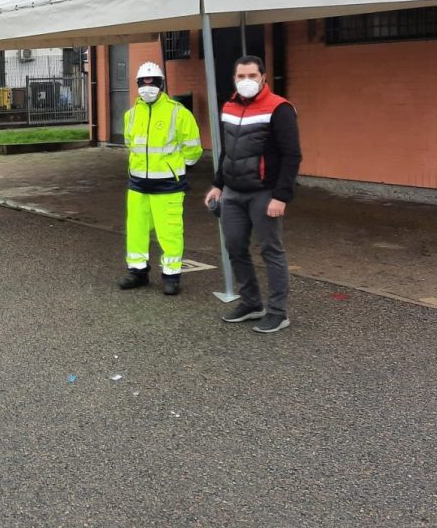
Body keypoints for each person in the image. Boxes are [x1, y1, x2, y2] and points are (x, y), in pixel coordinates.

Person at [205, 55, 302, 334]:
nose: (246, 81)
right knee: (235, 247)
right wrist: (217, 184)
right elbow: (228, 151)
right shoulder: (230, 106)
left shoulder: (279, 108)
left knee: (271, 250)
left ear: (263, 78)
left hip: (265, 193)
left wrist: (281, 196)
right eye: (240, 77)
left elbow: (292, 155)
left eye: (252, 76)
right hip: (233, 193)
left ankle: (277, 312)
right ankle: (251, 303)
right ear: (234, 79)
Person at [119, 61, 203, 296]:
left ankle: (171, 275)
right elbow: (130, 144)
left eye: (152, 82)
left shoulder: (178, 113)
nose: (148, 87)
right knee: (136, 229)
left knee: (170, 232)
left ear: (161, 84)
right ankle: (137, 271)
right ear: (137, 85)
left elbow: (193, 149)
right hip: (137, 184)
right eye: (143, 83)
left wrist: (175, 167)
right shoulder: (131, 115)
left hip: (168, 185)